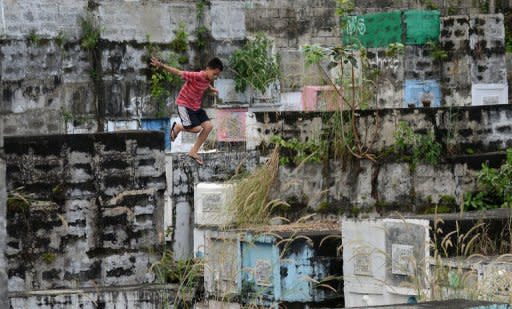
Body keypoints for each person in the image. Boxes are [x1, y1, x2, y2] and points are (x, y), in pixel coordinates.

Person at [150, 56, 223, 165]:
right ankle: (178, 127)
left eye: (217, 75)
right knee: (197, 129)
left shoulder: (207, 79)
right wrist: (161, 65)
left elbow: (205, 83)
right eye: (214, 74)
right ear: (208, 69)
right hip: (184, 105)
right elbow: (179, 73)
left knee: (208, 127)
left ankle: (193, 151)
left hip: (196, 107)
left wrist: (211, 89)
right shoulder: (197, 75)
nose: (215, 77)